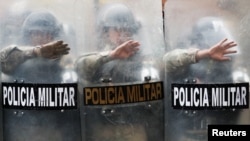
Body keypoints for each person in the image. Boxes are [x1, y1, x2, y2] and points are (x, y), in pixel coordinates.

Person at [75, 3, 164, 141]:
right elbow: (80, 67)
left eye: (127, 29)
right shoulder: (98, 59)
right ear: (105, 32)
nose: (122, 34)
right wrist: (111, 56)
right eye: (117, 29)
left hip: (134, 129)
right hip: (103, 129)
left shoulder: (144, 63)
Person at [2, 9, 81, 141]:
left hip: (57, 131)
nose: (42, 38)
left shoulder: (67, 65)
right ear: (28, 35)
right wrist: (36, 52)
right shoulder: (16, 60)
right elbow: (3, 60)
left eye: (47, 34)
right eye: (36, 33)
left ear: (55, 36)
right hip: (24, 131)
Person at [163, 17, 239, 141]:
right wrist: (204, 54)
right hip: (186, 130)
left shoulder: (227, 66)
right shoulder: (188, 60)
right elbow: (167, 61)